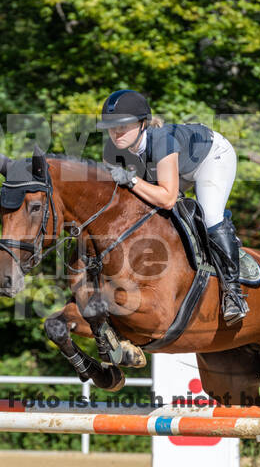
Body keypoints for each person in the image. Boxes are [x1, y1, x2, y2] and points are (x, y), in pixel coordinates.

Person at [97, 88, 248, 326]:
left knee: (209, 216)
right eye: (111, 126)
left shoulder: (161, 141)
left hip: (211, 158)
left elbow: (167, 198)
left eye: (123, 126)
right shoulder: (111, 150)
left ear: (142, 124)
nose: (116, 132)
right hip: (174, 168)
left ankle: (233, 293)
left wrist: (132, 180)